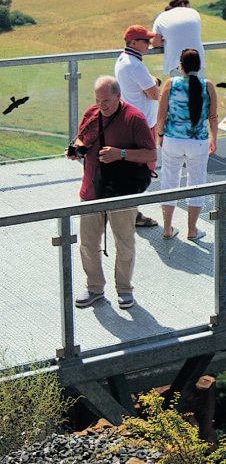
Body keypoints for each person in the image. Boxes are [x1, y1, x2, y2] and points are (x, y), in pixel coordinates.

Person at [68, 76, 156, 310]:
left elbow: (151, 154)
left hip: (122, 191)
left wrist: (121, 154)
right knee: (87, 243)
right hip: (92, 189)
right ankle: (94, 288)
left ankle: (125, 290)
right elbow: (81, 137)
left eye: (106, 100)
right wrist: (77, 149)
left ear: (118, 96)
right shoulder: (91, 113)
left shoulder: (134, 119)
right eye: (98, 100)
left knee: (124, 242)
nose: (101, 105)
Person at [157, 49, 218, 240]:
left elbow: (161, 115)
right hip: (198, 142)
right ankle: (192, 230)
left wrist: (160, 135)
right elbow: (213, 116)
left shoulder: (170, 84)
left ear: (180, 65)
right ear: (199, 66)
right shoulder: (207, 86)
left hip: (172, 140)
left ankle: (167, 228)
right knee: (196, 182)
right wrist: (214, 138)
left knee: (169, 182)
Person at [114, 24, 161, 228]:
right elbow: (154, 93)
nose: (149, 44)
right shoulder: (136, 65)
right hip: (143, 124)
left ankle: (128, 211)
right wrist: (155, 81)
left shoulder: (124, 59)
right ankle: (131, 214)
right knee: (143, 169)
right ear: (133, 43)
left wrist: (151, 81)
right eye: (145, 41)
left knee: (134, 168)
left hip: (134, 121)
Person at [152, 0, 205, 77]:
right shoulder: (194, 13)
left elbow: (155, 43)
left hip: (176, 62)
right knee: (198, 88)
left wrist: (167, 41)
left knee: (179, 88)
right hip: (198, 60)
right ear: (183, 4)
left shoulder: (161, 17)